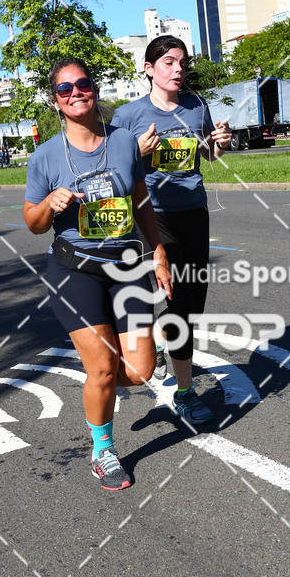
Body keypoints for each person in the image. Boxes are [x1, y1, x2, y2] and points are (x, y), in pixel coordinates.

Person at [23, 57, 172, 491]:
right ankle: (103, 450)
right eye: (65, 89)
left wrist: (158, 251)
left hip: (127, 265)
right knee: (104, 368)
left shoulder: (124, 143)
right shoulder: (45, 156)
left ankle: (126, 369)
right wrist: (48, 204)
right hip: (75, 270)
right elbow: (32, 223)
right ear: (56, 101)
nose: (75, 93)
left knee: (141, 372)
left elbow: (141, 201)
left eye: (82, 84)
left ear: (95, 89)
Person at [111, 35, 231, 425]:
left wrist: (220, 144)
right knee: (179, 304)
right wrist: (135, 154)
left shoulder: (197, 106)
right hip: (153, 216)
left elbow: (207, 153)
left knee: (193, 304)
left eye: (182, 62)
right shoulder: (128, 116)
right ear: (149, 69)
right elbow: (110, 172)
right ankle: (185, 392)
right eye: (168, 63)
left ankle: (166, 344)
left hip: (194, 211)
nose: (178, 69)